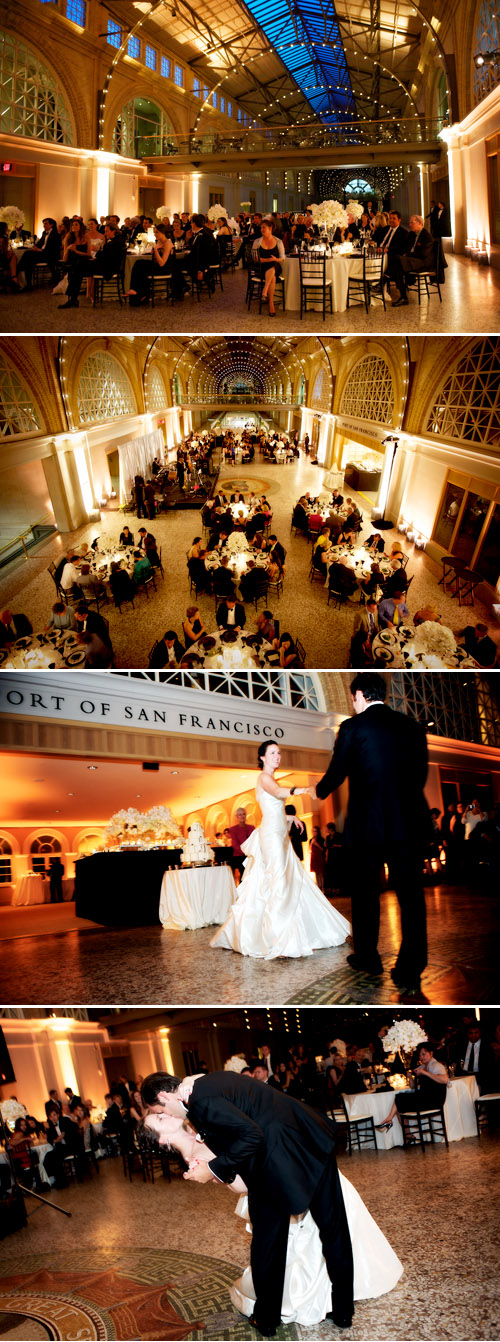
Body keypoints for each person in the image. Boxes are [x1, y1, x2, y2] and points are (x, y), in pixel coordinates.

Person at [140, 1070, 357, 1334]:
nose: (169, 1116)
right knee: (331, 1228)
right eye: (160, 1118)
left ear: (164, 1096)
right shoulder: (201, 1088)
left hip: (279, 1156)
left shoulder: (198, 1102)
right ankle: (343, 1310)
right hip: (304, 1139)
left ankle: (267, 1319)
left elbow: (251, 1136)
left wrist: (213, 1169)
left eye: (161, 1111)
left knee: (271, 1244)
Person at [315, 672, 431, 989]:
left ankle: (368, 958)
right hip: (408, 823)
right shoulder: (412, 726)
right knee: (411, 896)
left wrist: (320, 791)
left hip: (368, 825)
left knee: (366, 895)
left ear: (362, 695)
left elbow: (338, 770)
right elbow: (420, 774)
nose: (353, 703)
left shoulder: (353, 727)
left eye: (353, 698)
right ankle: (411, 966)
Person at [210, 740, 350, 959]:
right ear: (262, 757)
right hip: (271, 838)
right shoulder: (265, 778)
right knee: (279, 882)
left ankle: (297, 932)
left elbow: (271, 808)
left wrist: (289, 816)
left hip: (278, 836)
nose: (277, 756)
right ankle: (278, 940)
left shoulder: (269, 779)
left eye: (279, 753)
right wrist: (305, 789)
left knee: (291, 879)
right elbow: (277, 792)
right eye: (272, 753)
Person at [375, 1042, 448, 1134]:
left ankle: (391, 1121)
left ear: (431, 1053)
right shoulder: (422, 1067)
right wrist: (410, 1077)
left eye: (424, 1054)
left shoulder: (437, 1065)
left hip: (434, 1099)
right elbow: (413, 1087)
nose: (421, 1057)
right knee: (399, 1100)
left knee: (399, 1099)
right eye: (420, 1055)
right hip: (424, 1097)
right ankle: (406, 1134)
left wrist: (425, 1073)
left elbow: (445, 1080)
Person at [228, 807, 256, 880]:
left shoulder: (252, 827)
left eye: (243, 814)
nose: (242, 816)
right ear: (236, 817)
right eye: (240, 815)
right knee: (244, 873)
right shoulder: (233, 829)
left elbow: (254, 840)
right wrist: (246, 852)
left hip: (251, 854)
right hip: (239, 856)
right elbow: (235, 845)